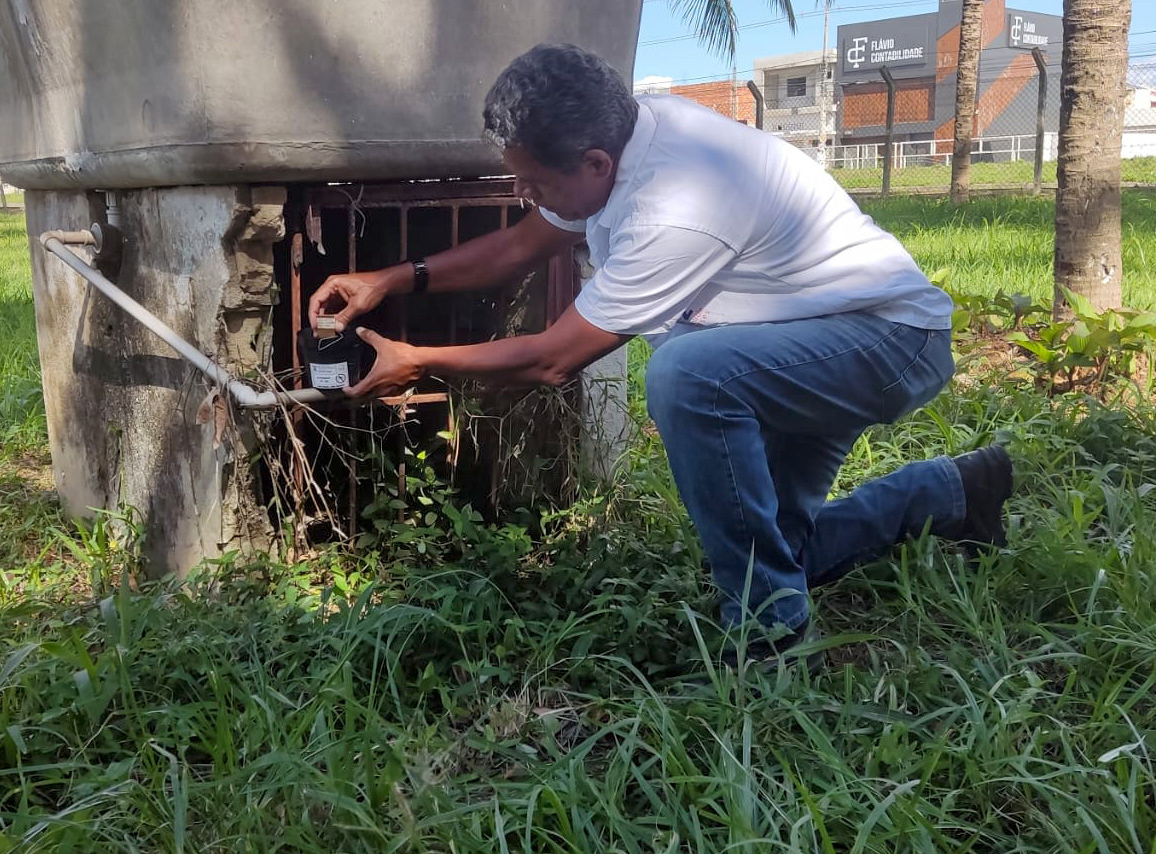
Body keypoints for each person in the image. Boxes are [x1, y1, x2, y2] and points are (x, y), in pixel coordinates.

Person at [308, 43, 1014, 669]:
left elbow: (553, 359)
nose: (524, 195)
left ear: (594, 163)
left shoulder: (675, 203)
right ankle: (956, 493)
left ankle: (769, 639)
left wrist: (417, 361)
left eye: (536, 184)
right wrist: (392, 279)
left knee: (688, 376)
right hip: (803, 336)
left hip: (886, 341)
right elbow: (521, 245)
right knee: (779, 551)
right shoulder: (618, 142)